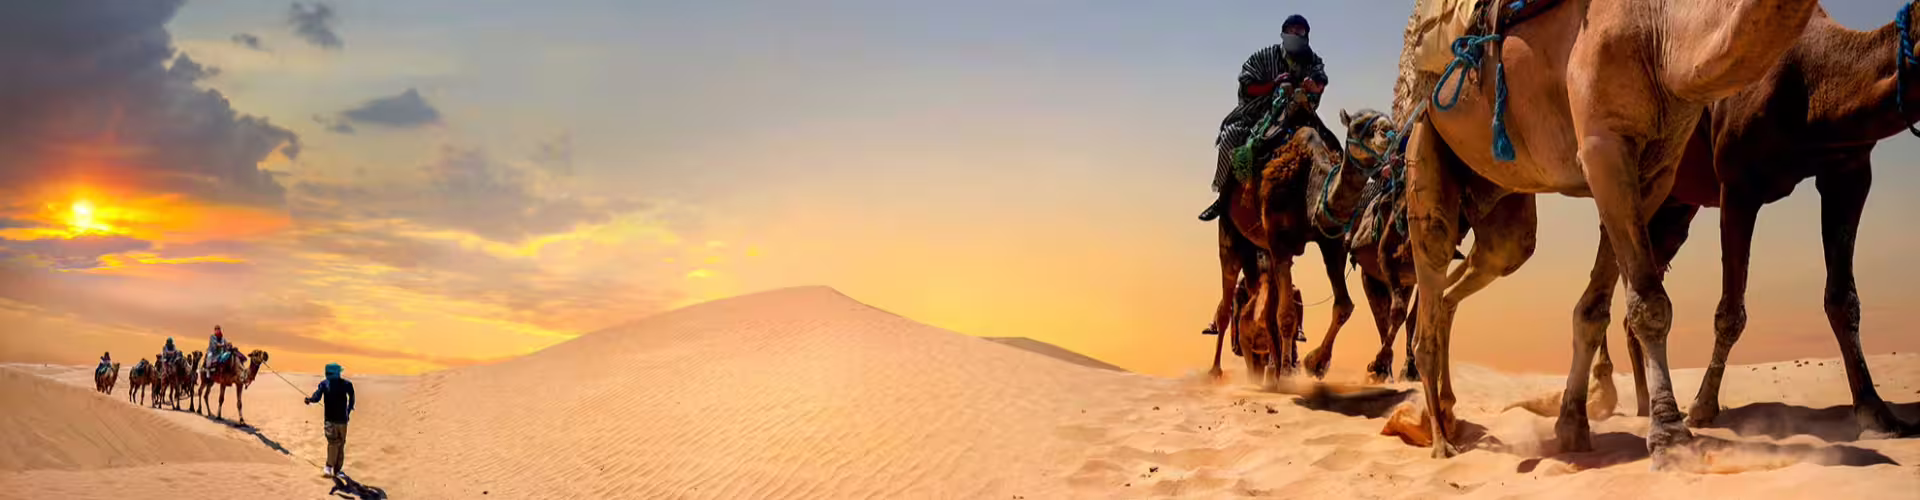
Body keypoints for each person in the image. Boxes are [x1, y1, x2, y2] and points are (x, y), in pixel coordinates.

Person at [1200, 14, 1330, 222]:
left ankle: (1332, 201)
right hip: (1260, 113)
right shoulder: (1264, 56)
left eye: (1300, 32)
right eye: (1292, 30)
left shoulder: (1313, 60)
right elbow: (1246, 84)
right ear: (1283, 33)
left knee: (1330, 144)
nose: (1296, 34)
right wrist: (1274, 84)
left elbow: (1321, 80)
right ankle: (1224, 196)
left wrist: (1313, 86)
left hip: (1299, 114)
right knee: (1230, 137)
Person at [305, 363, 356, 477]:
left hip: (342, 420)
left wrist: (348, 410)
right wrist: (310, 399)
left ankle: (337, 470)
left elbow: (352, 397)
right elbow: (317, 396)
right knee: (333, 442)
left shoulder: (346, 384)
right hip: (331, 420)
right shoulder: (325, 384)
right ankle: (329, 467)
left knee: (340, 444)